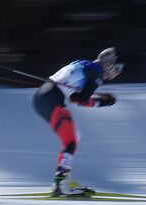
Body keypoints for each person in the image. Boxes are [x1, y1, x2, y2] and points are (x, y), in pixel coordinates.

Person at [32, 47, 122, 197]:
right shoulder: (96, 73)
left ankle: (65, 180)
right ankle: (60, 183)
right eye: (118, 66)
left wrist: (100, 100)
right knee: (71, 141)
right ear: (109, 63)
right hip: (52, 99)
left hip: (44, 98)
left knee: (74, 138)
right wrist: (103, 100)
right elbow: (82, 99)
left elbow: (75, 98)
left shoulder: (86, 65)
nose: (118, 71)